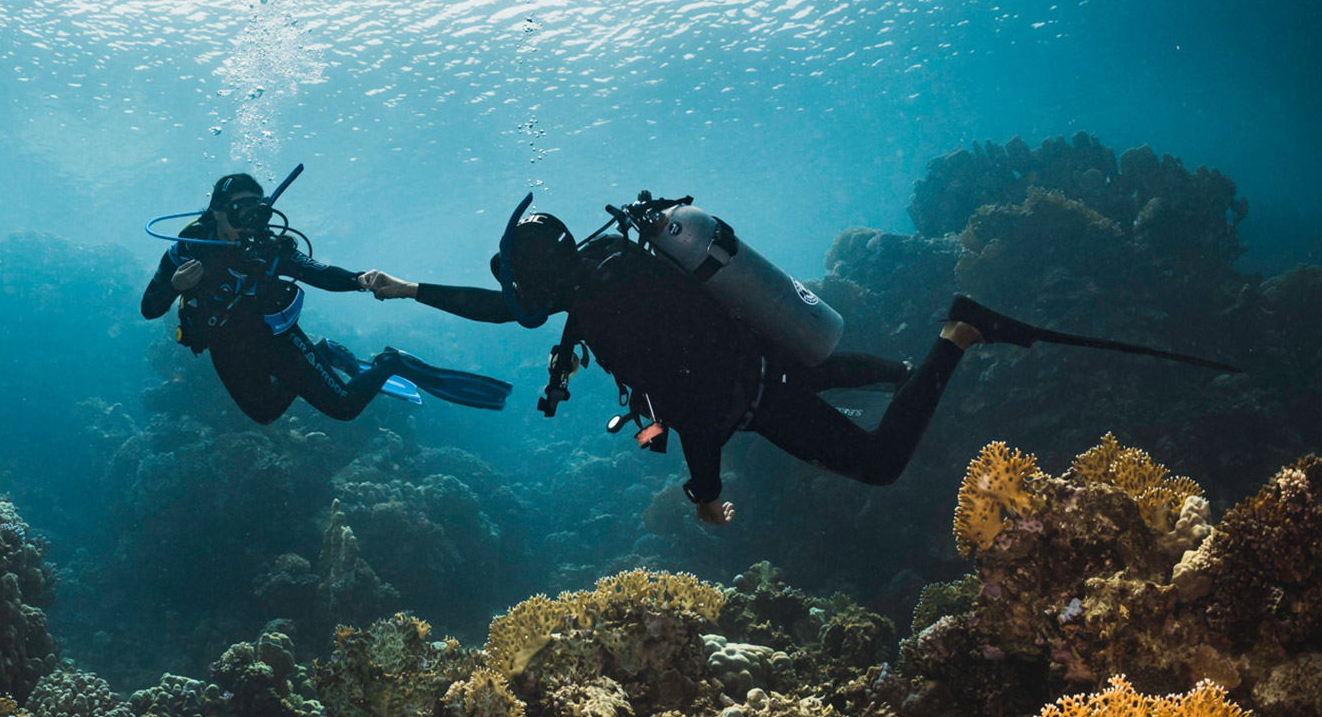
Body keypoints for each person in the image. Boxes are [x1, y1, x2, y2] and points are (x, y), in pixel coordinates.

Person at [359, 200, 1047, 527]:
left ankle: (959, 334)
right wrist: (409, 288)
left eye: (521, 283)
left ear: (540, 278)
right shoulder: (608, 264)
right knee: (832, 368)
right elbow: (499, 305)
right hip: (765, 351)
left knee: (879, 463)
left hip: (752, 399)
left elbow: (687, 409)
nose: (519, 298)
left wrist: (707, 495)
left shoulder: (605, 313)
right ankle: (910, 370)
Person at [143, 172, 510, 425]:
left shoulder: (267, 248)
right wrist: (175, 285)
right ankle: (326, 351)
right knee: (264, 413)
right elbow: (149, 307)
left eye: (259, 211)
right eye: (243, 211)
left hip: (276, 340)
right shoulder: (188, 249)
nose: (253, 221)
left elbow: (317, 273)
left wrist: (359, 280)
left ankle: (392, 362)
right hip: (225, 344)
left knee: (346, 408)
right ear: (218, 212)